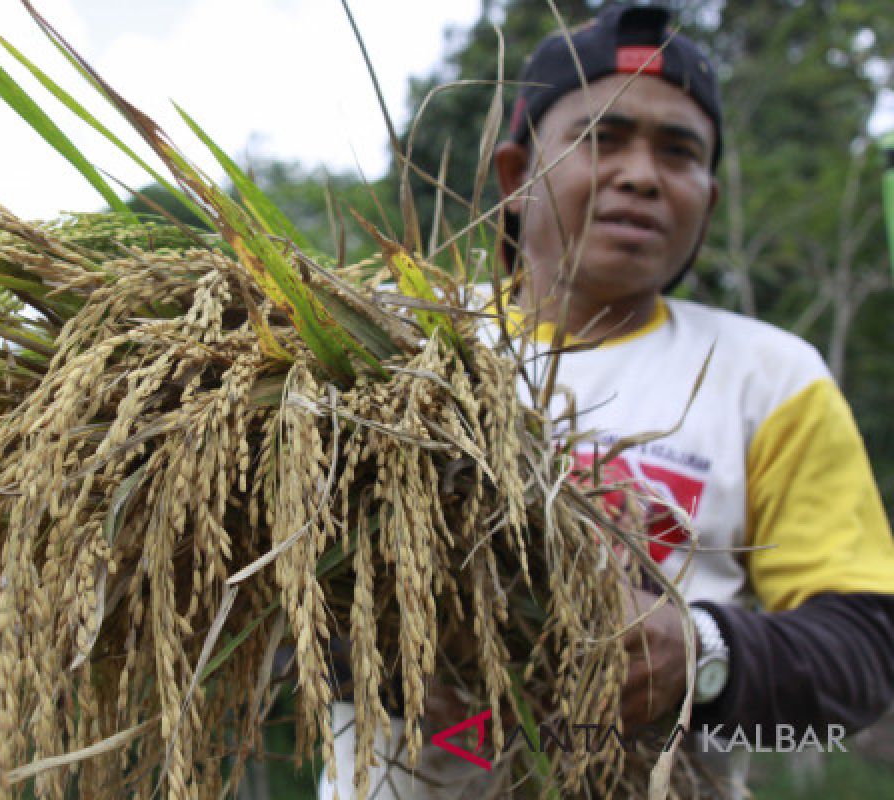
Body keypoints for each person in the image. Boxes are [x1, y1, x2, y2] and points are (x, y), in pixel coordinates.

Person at [320, 3, 894, 798]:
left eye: (678, 151)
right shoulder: (396, 339)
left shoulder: (770, 376)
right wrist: (425, 648)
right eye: (601, 138)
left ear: (709, 198)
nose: (640, 174)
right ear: (517, 177)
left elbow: (862, 655)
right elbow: (268, 590)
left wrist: (699, 655)